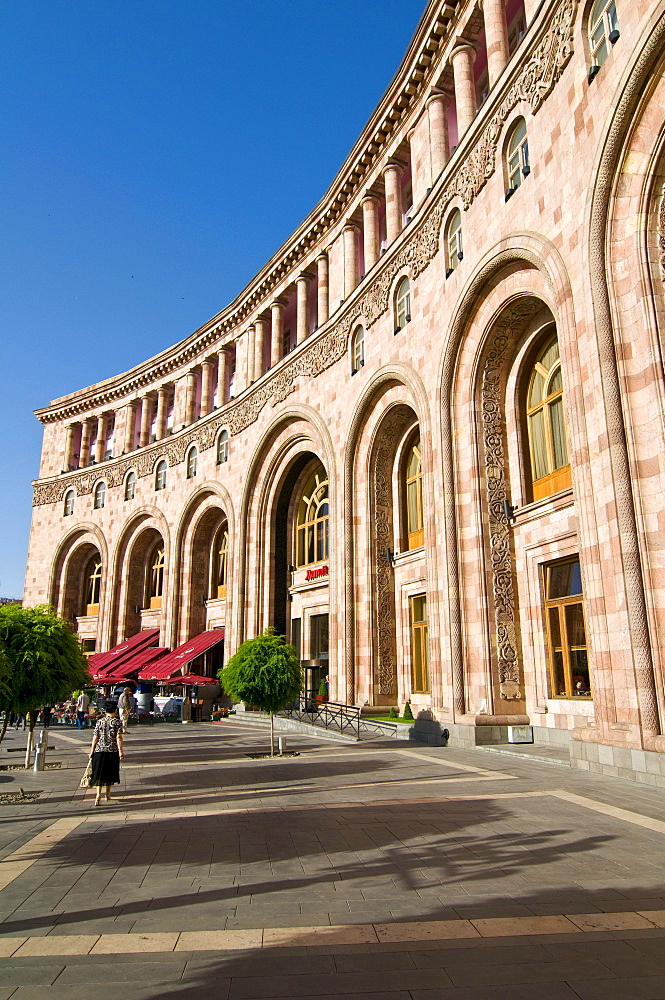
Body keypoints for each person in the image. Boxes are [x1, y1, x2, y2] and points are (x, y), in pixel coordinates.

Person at [88, 699, 124, 806]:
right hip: (112, 751)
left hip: (99, 751)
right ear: (115, 710)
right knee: (109, 773)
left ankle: (98, 795)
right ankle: (107, 794)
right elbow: (119, 737)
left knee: (99, 773)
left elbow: (95, 737)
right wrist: (121, 751)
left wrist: (92, 751)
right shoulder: (117, 722)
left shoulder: (100, 721)